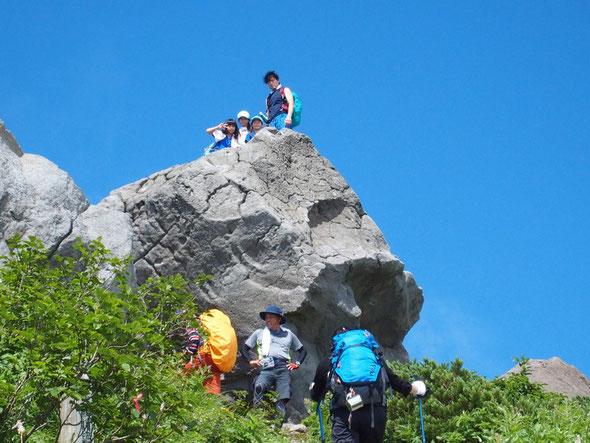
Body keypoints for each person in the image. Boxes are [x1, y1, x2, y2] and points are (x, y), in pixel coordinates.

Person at [309, 327, 427, 443]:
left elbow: (316, 395)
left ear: (336, 343)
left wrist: (313, 390)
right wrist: (418, 389)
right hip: (374, 412)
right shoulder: (374, 358)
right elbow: (396, 382)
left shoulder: (331, 360)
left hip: (344, 413)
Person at [241, 305, 307, 416]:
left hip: (283, 368)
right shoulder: (259, 333)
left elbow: (303, 351)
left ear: (279, 319)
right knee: (259, 386)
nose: (267, 320)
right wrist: (249, 361)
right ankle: (258, 417)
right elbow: (244, 348)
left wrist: (297, 364)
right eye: (266, 317)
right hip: (266, 367)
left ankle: (278, 426)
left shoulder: (288, 334)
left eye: (270, 317)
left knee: (282, 398)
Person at [180, 318, 223, 395]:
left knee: (183, 375)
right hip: (216, 355)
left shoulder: (192, 323)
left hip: (203, 354)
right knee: (212, 376)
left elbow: (195, 339)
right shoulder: (207, 326)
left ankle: (176, 389)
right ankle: (212, 401)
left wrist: (188, 353)